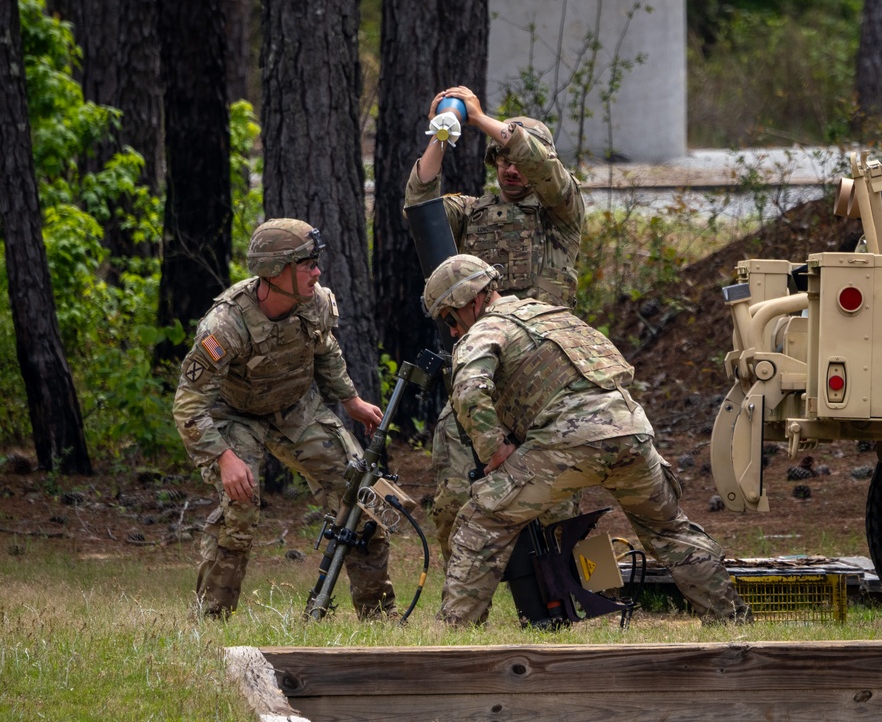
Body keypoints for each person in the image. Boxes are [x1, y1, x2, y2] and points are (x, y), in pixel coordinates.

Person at [421, 254, 752, 626]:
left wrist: (493, 449)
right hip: (631, 432)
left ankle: (454, 632)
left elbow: (468, 391)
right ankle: (732, 623)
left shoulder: (487, 328)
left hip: (570, 441)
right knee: (669, 530)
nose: (452, 331)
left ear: (472, 300)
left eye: (450, 318)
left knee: (480, 520)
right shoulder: (554, 316)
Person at [173, 218, 394, 619]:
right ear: (276, 272)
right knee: (239, 508)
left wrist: (351, 401)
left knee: (361, 493)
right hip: (235, 414)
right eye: (307, 263)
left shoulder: (316, 302)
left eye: (316, 262)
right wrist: (224, 458)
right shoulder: (225, 326)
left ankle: (379, 617)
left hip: (295, 406)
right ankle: (210, 622)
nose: (317, 271)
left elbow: (325, 349)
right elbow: (188, 406)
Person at [405, 85, 586, 560]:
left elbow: (547, 172)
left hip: (547, 380)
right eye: (499, 159)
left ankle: (577, 594)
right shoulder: (472, 213)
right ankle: (462, 598)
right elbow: (420, 205)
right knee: (452, 497)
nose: (509, 167)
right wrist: (441, 134)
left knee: (560, 503)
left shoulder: (561, 214)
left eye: (515, 157)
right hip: (482, 380)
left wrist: (483, 117)